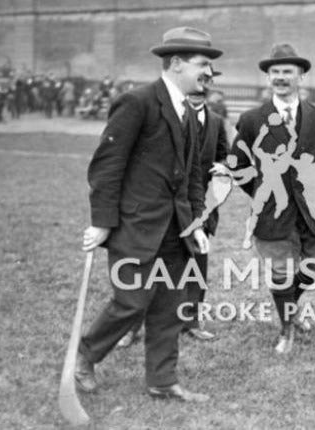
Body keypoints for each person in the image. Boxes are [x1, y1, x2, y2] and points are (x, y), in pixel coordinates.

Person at [74, 26, 222, 403]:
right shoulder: (136, 102)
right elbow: (106, 165)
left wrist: (195, 223)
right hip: (134, 227)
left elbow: (190, 176)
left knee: (171, 307)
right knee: (133, 302)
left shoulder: (189, 112)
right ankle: (85, 356)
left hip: (176, 232)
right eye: (202, 65)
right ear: (175, 64)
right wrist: (102, 222)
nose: (207, 73)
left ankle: (162, 380)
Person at [229, 43, 315, 354]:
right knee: (280, 273)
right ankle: (286, 328)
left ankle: (291, 308)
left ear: (301, 75)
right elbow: (238, 165)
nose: (280, 77)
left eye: (287, 71)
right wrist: (263, 192)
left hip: (313, 209)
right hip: (273, 213)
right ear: (268, 78)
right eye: (274, 72)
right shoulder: (251, 119)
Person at [116, 71, 229, 347]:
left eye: (206, 85)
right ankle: (132, 326)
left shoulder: (216, 122)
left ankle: (191, 320)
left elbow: (225, 156)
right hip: (166, 206)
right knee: (149, 267)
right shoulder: (170, 116)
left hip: (200, 205)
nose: (200, 90)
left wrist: (225, 166)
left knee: (196, 265)